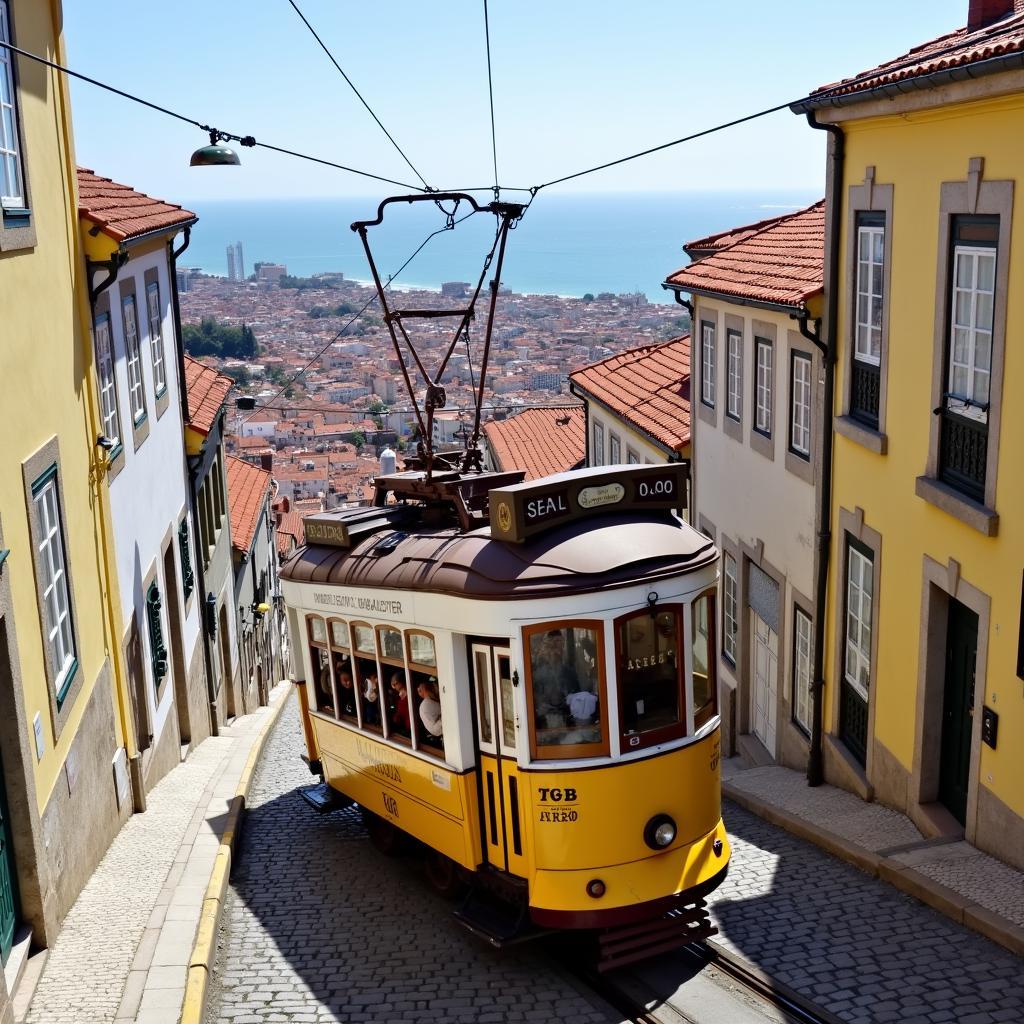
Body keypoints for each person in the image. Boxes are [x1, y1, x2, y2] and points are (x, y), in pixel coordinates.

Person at [531, 630, 578, 727]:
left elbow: (577, 694)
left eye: (558, 643)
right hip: (543, 718)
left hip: (567, 716)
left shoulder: (570, 671)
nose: (554, 649)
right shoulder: (537, 672)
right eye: (550, 645)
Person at [417, 679, 443, 743]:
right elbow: (445, 710)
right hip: (439, 730)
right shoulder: (427, 703)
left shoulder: (429, 701)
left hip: (437, 730)